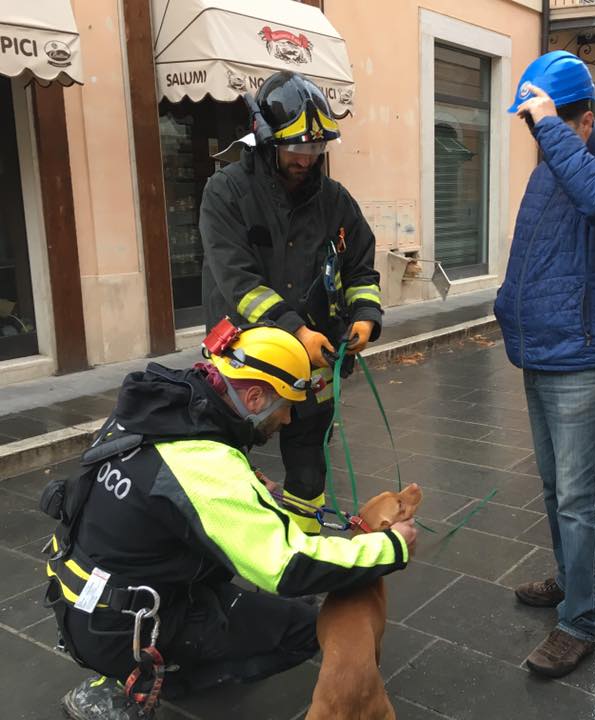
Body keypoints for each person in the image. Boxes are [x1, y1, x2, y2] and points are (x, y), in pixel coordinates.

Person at [43, 324, 417, 719]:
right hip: (125, 629)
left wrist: (249, 490)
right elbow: (289, 566)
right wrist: (390, 546)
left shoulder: (156, 406)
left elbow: (163, 491)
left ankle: (123, 667)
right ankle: (145, 678)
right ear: (254, 397)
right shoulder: (204, 466)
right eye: (286, 405)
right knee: (305, 628)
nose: (288, 419)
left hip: (85, 603)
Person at [493, 51, 595, 678]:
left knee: (582, 500)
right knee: (558, 491)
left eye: (541, 122)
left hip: (587, 358)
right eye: (532, 125)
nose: (535, 133)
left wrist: (552, 127)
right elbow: (532, 251)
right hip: (543, 351)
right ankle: (568, 579)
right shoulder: (549, 168)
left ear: (580, 119)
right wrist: (509, 309)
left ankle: (579, 622)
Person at [200, 71, 383, 533]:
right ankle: (234, 547)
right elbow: (237, 281)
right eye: (297, 151)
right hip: (243, 361)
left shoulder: (336, 201)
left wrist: (365, 317)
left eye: (316, 151)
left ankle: (304, 539)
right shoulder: (226, 193)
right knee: (226, 458)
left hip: (314, 364)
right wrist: (295, 330)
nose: (307, 160)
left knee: (308, 461)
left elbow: (360, 267)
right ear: (265, 140)